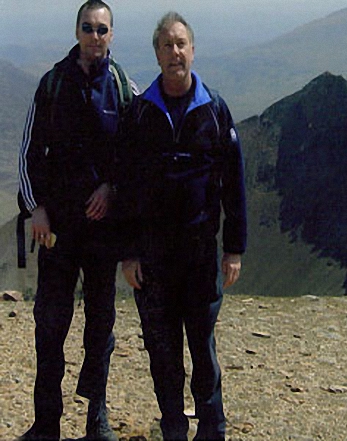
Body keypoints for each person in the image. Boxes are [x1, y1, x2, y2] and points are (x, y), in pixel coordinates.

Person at [120, 11, 247, 441]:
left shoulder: (213, 110)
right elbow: (127, 187)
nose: (175, 52)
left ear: (193, 50)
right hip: (154, 254)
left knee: (202, 345)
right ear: (156, 54)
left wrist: (234, 248)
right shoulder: (140, 114)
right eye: (166, 45)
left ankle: (213, 428)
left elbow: (235, 182)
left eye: (181, 44)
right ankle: (173, 425)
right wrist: (130, 252)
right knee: (162, 348)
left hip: (198, 250)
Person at [17, 1, 137, 440]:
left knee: (100, 323)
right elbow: (29, 153)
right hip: (58, 232)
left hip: (103, 232)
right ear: (77, 31)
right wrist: (37, 209)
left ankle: (96, 418)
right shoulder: (52, 85)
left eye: (102, 29)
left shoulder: (124, 88)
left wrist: (113, 189)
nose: (94, 36)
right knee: (50, 324)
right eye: (87, 28)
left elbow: (137, 153)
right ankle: (46, 421)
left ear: (111, 35)